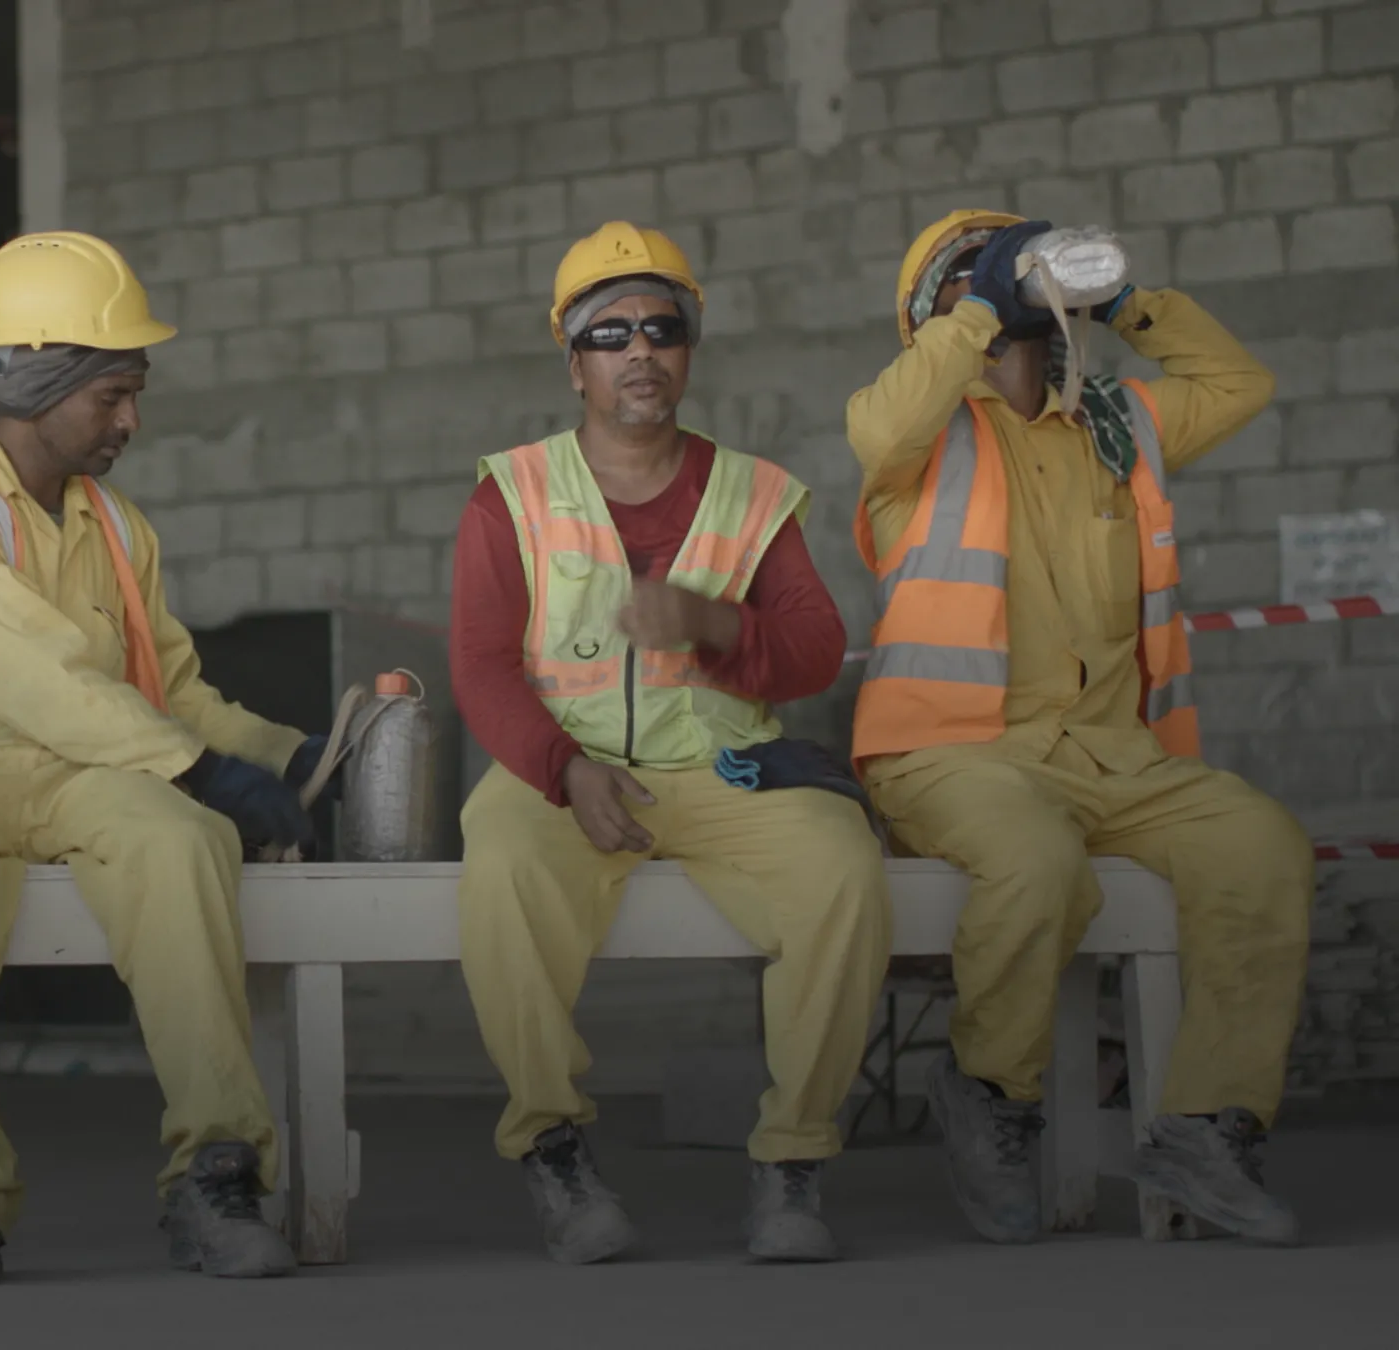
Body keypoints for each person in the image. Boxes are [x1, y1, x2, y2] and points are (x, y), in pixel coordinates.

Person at [0, 231, 329, 1284]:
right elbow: (25, 668)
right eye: (111, 394)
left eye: (135, 393)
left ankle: (216, 1173)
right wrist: (202, 770)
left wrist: (298, 757)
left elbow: (172, 697)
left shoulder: (117, 528)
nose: (130, 420)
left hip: (72, 766)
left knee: (180, 844)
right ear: (38, 379)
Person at [849, 210, 1309, 1246]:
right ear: (939, 309)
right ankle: (989, 1097)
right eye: (985, 275)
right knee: (1035, 859)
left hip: (1117, 760)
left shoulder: (1120, 420)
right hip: (951, 753)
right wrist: (979, 310)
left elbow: (1241, 386)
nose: (1021, 288)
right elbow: (878, 427)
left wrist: (1129, 302)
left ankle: (1207, 1129)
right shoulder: (917, 441)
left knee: (1261, 845)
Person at [448, 222, 892, 1264]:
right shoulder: (508, 494)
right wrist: (562, 767)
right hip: (566, 769)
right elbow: (480, 664)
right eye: (610, 333)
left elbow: (817, 650)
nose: (638, 349)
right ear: (574, 362)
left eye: (662, 327)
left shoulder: (752, 492)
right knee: (502, 860)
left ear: (689, 347)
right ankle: (554, 1148)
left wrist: (713, 622)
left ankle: (792, 1162)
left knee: (843, 871)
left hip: (723, 772)